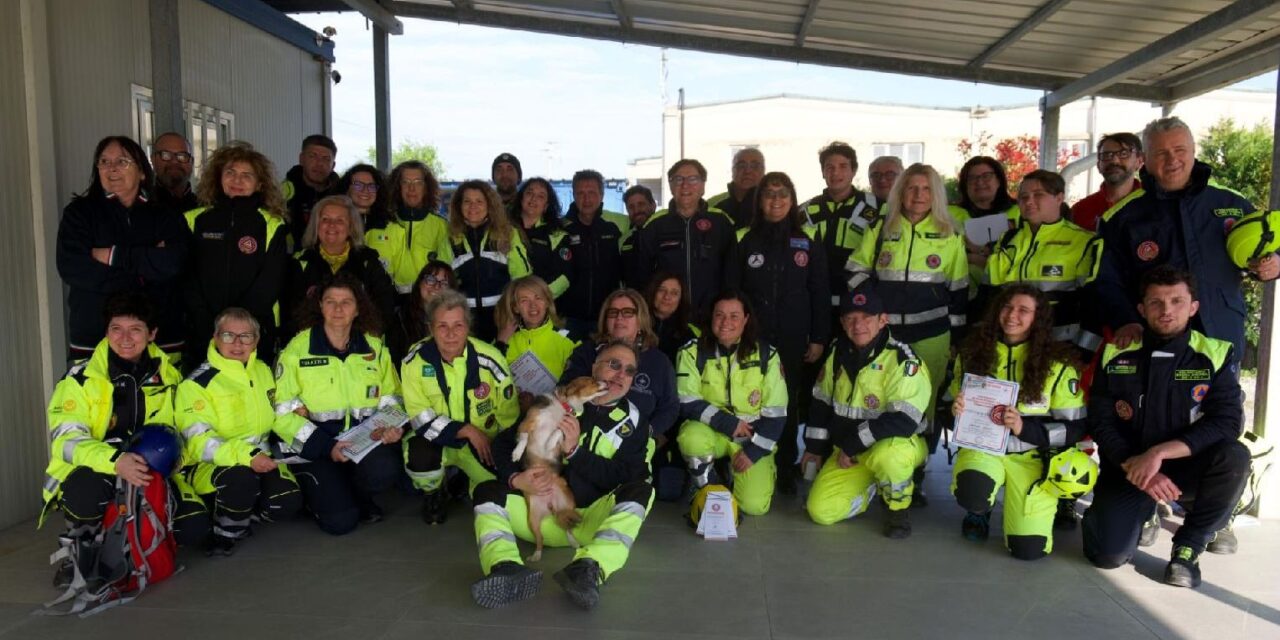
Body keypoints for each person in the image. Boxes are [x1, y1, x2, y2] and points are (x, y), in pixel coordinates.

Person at [1084, 266, 1250, 588]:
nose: (1166, 310)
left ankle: (1190, 544)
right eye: (1156, 303)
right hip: (1128, 466)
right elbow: (1101, 422)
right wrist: (1139, 466)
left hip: (1187, 466)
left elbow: (1227, 421)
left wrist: (1159, 454)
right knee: (1106, 555)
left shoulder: (1214, 354)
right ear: (1142, 309)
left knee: (1235, 457)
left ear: (1193, 307)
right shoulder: (1115, 354)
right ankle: (1141, 512)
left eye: (1176, 301)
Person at [469, 340, 652, 610]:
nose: (620, 375)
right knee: (485, 490)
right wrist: (515, 479)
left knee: (643, 489)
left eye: (628, 371)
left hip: (587, 522)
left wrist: (575, 452)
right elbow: (503, 444)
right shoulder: (556, 402)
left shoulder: (635, 422)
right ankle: (505, 567)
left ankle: (589, 568)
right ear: (594, 368)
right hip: (537, 515)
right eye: (613, 365)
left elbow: (624, 476)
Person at [43, 292, 208, 587]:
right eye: (116, 329)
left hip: (150, 469)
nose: (125, 338)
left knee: (194, 528)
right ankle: (78, 550)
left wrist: (176, 460)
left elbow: (185, 431)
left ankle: (133, 542)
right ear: (106, 331)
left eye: (135, 329)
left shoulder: (169, 375)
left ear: (152, 333)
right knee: (85, 488)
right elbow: (65, 441)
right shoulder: (79, 379)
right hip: (97, 467)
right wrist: (116, 462)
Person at [1096, 116, 1277, 361]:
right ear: (1145, 160)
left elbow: (1268, 244)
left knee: (1222, 400)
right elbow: (1106, 281)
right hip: (1153, 340)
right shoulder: (1121, 217)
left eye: (1180, 150)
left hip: (1222, 334)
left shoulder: (1231, 203)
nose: (1172, 160)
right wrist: (1126, 321)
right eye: (1161, 153)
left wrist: (1273, 263)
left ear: (1193, 152)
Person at [847, 163, 968, 502]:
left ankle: (914, 474)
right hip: (886, 335)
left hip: (931, 335)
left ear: (936, 195)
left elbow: (958, 290)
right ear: (901, 191)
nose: (918, 195)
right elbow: (856, 270)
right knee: (880, 397)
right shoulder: (882, 227)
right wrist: (871, 307)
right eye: (912, 188)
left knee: (922, 408)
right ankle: (878, 466)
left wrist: (957, 340)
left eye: (926, 189)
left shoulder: (949, 233)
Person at [949, 285, 1088, 559]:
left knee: (1028, 549)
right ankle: (980, 510)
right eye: (1007, 307)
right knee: (973, 490)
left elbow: (1075, 429)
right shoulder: (972, 353)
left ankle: (1027, 512)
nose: (1012, 315)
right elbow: (948, 402)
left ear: (1038, 318)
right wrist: (955, 408)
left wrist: (1025, 428)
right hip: (984, 450)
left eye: (1023, 310)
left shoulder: (1058, 364)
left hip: (1031, 457)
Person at [273, 274, 404, 535]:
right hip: (318, 445)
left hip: (362, 439)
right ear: (320, 306)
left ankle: (355, 492)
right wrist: (327, 446)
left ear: (358, 309)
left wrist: (391, 427)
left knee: (385, 470)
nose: (338, 308)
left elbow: (393, 399)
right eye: (330, 301)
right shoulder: (297, 349)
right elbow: (281, 413)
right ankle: (322, 493)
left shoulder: (374, 347)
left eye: (346, 302)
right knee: (340, 523)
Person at [726, 171, 830, 492]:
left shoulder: (806, 240)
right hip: (752, 338)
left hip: (793, 337)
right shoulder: (743, 238)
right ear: (759, 201)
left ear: (792, 199)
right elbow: (732, 289)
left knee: (786, 401)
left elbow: (820, 293)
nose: (776, 200)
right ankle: (747, 457)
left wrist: (818, 338)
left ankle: (785, 465)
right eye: (769, 194)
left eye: (783, 194)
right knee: (747, 397)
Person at [802, 284, 930, 538]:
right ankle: (873, 487)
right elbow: (821, 401)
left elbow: (903, 421)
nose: (857, 325)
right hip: (850, 453)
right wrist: (814, 449)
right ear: (842, 322)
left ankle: (897, 510)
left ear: (883, 320)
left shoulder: (903, 359)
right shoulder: (837, 350)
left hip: (894, 445)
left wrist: (853, 443)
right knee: (820, 511)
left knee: (889, 457)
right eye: (850, 318)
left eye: (866, 318)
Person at [177, 307, 303, 556]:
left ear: (256, 340)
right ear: (215, 338)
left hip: (262, 458)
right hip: (211, 466)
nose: (237, 343)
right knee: (240, 480)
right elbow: (199, 443)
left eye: (245, 336)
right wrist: (248, 456)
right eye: (228, 335)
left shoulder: (263, 370)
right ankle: (225, 531)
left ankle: (244, 507)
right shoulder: (196, 384)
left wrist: (297, 414)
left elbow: (277, 413)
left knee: (286, 502)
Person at [58, 135, 188, 362]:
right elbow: (73, 268)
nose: (112, 169)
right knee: (95, 398)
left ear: (142, 171)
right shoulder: (79, 214)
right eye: (104, 162)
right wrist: (145, 270)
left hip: (161, 336)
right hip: (94, 337)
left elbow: (175, 263)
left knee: (161, 397)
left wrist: (112, 256)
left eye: (122, 162)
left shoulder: (165, 214)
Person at [401, 289, 519, 524]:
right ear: (430, 328)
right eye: (442, 326)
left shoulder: (491, 359)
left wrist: (503, 453)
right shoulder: (414, 361)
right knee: (419, 456)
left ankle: (463, 481)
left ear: (468, 326)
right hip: (435, 438)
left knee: (500, 490)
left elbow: (509, 415)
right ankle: (433, 493)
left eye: (458, 325)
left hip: (482, 441)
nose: (451, 334)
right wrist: (466, 429)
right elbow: (420, 417)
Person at [676, 291, 787, 516]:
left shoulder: (767, 354)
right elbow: (685, 399)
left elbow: (777, 412)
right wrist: (727, 423)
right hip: (710, 430)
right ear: (711, 317)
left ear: (746, 319)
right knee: (691, 438)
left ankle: (733, 469)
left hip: (750, 436)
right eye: (719, 315)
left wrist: (754, 452)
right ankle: (707, 486)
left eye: (734, 316)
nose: (726, 322)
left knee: (754, 507)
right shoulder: (691, 351)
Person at [183, 143, 290, 368]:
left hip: (253, 334)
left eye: (246, 175)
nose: (237, 180)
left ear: (260, 184)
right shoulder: (194, 220)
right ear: (218, 178)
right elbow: (186, 276)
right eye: (230, 173)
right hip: (204, 331)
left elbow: (270, 281)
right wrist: (209, 325)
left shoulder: (272, 224)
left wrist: (238, 331)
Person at [986, 170, 1099, 352]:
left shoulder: (1084, 241)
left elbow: (1093, 304)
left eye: (1038, 195)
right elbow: (991, 294)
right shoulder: (1007, 240)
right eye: (1023, 196)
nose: (1029, 201)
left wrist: (1083, 351)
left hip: (1059, 343)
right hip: (1008, 343)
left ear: (1059, 197)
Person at [286, 195, 402, 359]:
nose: (332, 225)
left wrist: (353, 338)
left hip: (360, 348)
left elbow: (384, 310)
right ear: (316, 226)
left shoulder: (368, 262)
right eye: (325, 219)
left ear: (351, 227)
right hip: (311, 350)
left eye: (339, 220)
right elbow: (291, 314)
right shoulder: (299, 262)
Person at [560, 289, 680, 443]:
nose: (619, 317)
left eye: (628, 312)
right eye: (613, 312)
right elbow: (566, 389)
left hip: (636, 444)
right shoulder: (586, 353)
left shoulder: (659, 362)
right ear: (605, 320)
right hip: (583, 437)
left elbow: (670, 407)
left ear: (641, 319)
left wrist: (645, 432)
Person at [632, 159, 736, 316]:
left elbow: (732, 273)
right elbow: (642, 275)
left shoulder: (721, 222)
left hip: (712, 316)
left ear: (703, 186)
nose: (685, 185)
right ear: (671, 186)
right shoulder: (655, 225)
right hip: (669, 316)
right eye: (678, 179)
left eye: (693, 179)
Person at [437, 180, 532, 342]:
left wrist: (513, 313)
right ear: (459, 206)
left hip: (502, 317)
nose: (473, 206)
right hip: (465, 319)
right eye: (467, 201)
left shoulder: (507, 234)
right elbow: (442, 283)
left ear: (490, 205)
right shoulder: (450, 239)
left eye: (479, 201)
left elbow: (523, 278)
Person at [803, 142, 879, 325]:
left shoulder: (877, 208)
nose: (836, 173)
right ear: (823, 172)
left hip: (859, 303)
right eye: (829, 167)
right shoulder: (805, 211)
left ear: (854, 171)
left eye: (843, 166)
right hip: (815, 302)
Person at [562, 170, 624, 338]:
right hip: (569, 318)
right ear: (573, 195)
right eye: (581, 193)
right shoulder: (561, 230)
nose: (586, 199)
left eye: (592, 193)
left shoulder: (612, 230)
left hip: (605, 317)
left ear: (602, 195)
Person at [949, 157, 1020, 287]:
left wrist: (977, 256)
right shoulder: (949, 213)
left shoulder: (1020, 212)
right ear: (964, 185)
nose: (979, 182)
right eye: (972, 178)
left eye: (986, 176)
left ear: (999, 180)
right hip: (962, 290)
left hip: (1006, 290)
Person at [494, 275, 578, 381]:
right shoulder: (504, 341)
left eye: (538, 298)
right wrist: (501, 343)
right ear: (515, 307)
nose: (533, 305)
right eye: (524, 300)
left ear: (547, 302)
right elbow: (489, 379)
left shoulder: (569, 341)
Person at [387, 160, 449, 296]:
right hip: (389, 303)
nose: (411, 189)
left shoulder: (441, 226)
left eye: (418, 182)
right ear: (397, 187)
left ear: (426, 187)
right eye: (405, 182)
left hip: (430, 301)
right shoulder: (384, 224)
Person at [510, 177, 571, 299]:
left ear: (546, 206)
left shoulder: (557, 235)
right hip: (506, 303)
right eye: (529, 193)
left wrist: (535, 299)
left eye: (541, 196)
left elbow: (564, 276)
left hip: (541, 305)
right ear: (521, 198)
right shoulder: (503, 229)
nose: (533, 199)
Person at [1070, 133, 1144, 232]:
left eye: (1123, 154)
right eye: (1106, 155)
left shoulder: (1155, 206)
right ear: (1098, 166)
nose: (1114, 160)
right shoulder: (1080, 210)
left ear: (1139, 161)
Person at [282, 134, 340, 246]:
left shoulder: (343, 197)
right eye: (313, 156)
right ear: (301, 159)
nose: (319, 164)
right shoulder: (281, 193)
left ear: (333, 165)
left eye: (326, 159)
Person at [336, 164, 397, 268]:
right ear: (346, 189)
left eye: (371, 186)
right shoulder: (333, 224)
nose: (365, 190)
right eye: (358, 185)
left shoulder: (392, 227)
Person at [646, 271, 700, 365]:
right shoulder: (635, 325)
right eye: (662, 290)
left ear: (681, 298)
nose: (667, 296)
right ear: (653, 292)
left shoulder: (689, 334)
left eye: (674, 293)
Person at [400, 260, 457, 347]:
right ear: (419, 282)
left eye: (444, 283)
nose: (437, 286)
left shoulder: (459, 319)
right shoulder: (401, 319)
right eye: (430, 280)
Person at [707, 147, 765, 229]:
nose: (747, 171)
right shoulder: (712, 204)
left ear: (763, 171)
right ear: (733, 171)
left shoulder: (773, 205)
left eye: (755, 166)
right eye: (741, 166)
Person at [150, 132, 198, 216]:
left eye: (182, 156)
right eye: (166, 155)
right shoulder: (140, 209)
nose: (174, 161)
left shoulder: (207, 209)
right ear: (153, 159)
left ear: (192, 162)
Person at [619, 185, 657, 287]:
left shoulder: (665, 232)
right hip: (634, 301)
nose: (636, 211)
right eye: (631, 207)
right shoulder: (624, 241)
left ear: (653, 205)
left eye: (641, 204)